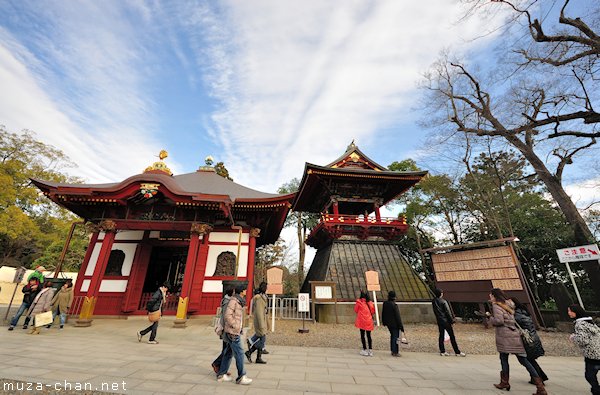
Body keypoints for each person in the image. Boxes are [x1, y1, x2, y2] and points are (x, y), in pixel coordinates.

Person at [487, 288, 546, 394]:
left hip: (505, 336)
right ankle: (540, 386)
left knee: (504, 359)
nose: (490, 297)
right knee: (524, 360)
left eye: (491, 295)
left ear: (494, 296)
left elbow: (499, 321)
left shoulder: (496, 305)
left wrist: (490, 319)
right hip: (515, 334)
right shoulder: (510, 304)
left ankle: (504, 382)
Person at [217, 285, 252, 385]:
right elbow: (227, 315)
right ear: (241, 291)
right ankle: (241, 376)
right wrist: (235, 325)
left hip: (234, 331)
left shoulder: (239, 300)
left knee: (228, 353)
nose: (246, 291)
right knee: (240, 353)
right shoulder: (234, 301)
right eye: (245, 290)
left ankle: (222, 374)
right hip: (233, 331)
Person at [512, 297, 548, 384]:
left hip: (527, 340)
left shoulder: (517, 315)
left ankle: (538, 379)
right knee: (530, 359)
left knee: (525, 359)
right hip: (533, 338)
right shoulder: (524, 312)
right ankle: (541, 377)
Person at [568, 304, 600, 395]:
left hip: (592, 354)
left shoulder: (579, 324)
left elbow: (583, 340)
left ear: (576, 312)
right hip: (598, 351)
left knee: (589, 375)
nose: (569, 313)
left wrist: (573, 337)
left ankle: (597, 390)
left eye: (570, 311)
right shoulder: (589, 322)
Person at [432, 288, 466, 357]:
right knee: (452, 336)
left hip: (439, 320)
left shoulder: (434, 301)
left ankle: (442, 351)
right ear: (441, 294)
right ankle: (457, 351)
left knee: (441, 335)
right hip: (446, 321)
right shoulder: (443, 301)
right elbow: (447, 312)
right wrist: (451, 320)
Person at [212, 287, 234, 375]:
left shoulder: (228, 301)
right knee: (227, 350)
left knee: (226, 349)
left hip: (227, 329)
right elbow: (226, 317)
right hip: (226, 329)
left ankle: (222, 368)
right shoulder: (227, 302)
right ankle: (217, 364)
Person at [246, 281, 268, 364]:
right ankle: (250, 352)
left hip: (262, 320)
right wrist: (262, 325)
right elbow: (259, 312)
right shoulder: (259, 298)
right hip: (260, 322)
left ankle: (257, 356)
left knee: (262, 338)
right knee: (262, 339)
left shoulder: (262, 297)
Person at [382, 290, 405, 357]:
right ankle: (395, 351)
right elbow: (398, 317)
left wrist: (384, 322)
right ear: (394, 297)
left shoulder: (385, 303)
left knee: (392, 336)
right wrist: (401, 326)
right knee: (395, 337)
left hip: (388, 323)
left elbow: (383, 313)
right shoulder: (394, 305)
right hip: (395, 324)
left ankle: (392, 350)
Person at [354, 290, 375, 356]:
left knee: (362, 335)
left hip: (362, 321)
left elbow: (356, 310)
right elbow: (372, 311)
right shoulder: (370, 303)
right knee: (369, 335)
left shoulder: (359, 302)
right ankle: (370, 350)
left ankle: (365, 349)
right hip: (368, 320)